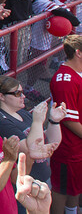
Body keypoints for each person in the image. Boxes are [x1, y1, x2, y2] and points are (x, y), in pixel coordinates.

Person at [0, 74, 63, 212]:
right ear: (1, 96)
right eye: (17, 93)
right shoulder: (2, 123)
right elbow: (30, 151)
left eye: (22, 92)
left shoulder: (23, 113)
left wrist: (54, 121)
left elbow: (51, 142)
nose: (23, 96)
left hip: (41, 180)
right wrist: (38, 121)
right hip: (25, 186)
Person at [50, 34, 82, 214]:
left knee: (74, 186)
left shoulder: (76, 74)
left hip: (77, 146)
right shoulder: (65, 79)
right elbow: (69, 120)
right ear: (78, 53)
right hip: (67, 147)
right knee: (62, 188)